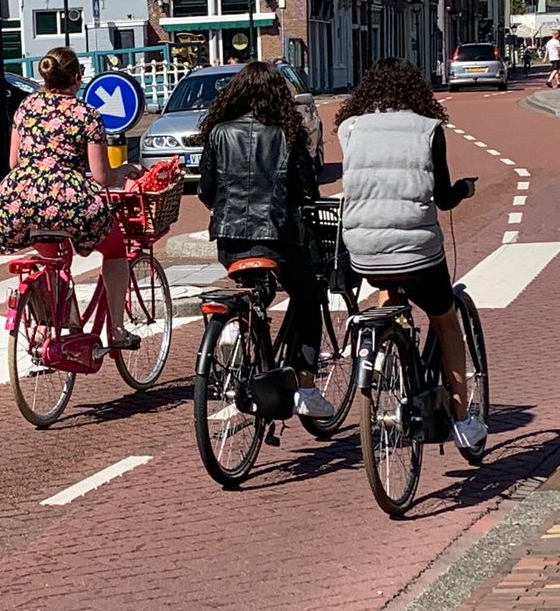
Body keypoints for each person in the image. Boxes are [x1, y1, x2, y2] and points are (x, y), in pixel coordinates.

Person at [334, 58, 486, 451]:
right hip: (416, 251)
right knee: (445, 319)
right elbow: (442, 197)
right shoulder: (428, 129)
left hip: (363, 249)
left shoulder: (348, 129)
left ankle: (388, 357)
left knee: (388, 285)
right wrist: (466, 190)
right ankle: (462, 419)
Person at [196, 62, 334, 420]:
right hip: (278, 238)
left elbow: (207, 190)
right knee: (307, 299)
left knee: (254, 292)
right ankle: (305, 387)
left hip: (230, 240)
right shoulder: (288, 133)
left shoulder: (218, 133)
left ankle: (238, 330)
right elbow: (307, 192)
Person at [0, 47, 143, 349]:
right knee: (115, 251)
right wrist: (124, 169)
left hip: (21, 199)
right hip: (69, 200)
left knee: (54, 261)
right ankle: (118, 331)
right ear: (75, 77)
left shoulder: (26, 107)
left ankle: (53, 332)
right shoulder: (86, 114)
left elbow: (12, 162)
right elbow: (101, 177)